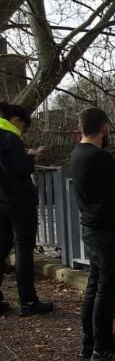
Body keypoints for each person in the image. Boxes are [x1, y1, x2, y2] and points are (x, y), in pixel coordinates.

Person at [70, 108, 115, 361]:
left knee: (95, 287)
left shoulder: (76, 154)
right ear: (104, 127)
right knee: (107, 291)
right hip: (109, 233)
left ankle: (90, 342)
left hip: (93, 229)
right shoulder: (99, 158)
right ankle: (103, 347)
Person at [0, 101, 53, 316]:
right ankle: (28, 301)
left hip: (0, 202)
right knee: (23, 251)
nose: (23, 132)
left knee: (1, 249)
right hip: (19, 202)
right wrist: (30, 156)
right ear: (16, 121)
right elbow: (20, 169)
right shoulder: (10, 138)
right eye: (24, 127)